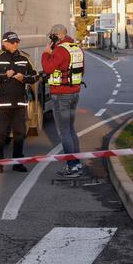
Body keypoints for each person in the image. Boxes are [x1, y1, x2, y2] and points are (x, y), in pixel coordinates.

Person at [0, 31, 39, 173]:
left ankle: (17, 163)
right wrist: (2, 76)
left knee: (20, 134)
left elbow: (35, 76)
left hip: (20, 103)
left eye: (17, 42)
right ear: (5, 43)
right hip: (2, 104)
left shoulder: (25, 58)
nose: (15, 44)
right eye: (12, 42)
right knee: (0, 134)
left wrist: (24, 78)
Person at [41, 23, 85, 178]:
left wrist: (46, 53)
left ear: (57, 35)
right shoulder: (75, 48)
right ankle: (77, 163)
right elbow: (81, 69)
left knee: (64, 131)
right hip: (74, 93)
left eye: (52, 36)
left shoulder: (60, 50)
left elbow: (47, 69)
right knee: (71, 129)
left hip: (61, 94)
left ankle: (72, 166)